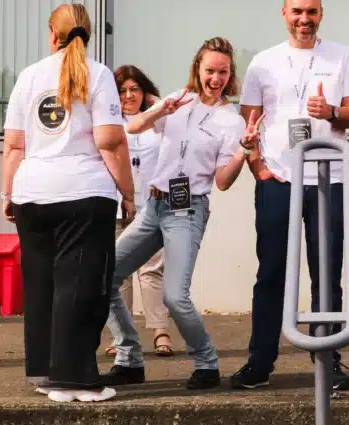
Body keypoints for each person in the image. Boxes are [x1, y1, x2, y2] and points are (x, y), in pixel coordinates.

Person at [106, 37, 263, 390]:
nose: (216, 78)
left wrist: (243, 150)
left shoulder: (230, 120)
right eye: (210, 70)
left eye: (223, 72)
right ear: (198, 68)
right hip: (154, 205)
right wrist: (160, 110)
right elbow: (133, 127)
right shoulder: (179, 99)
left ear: (230, 75)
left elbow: (222, 181)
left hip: (187, 210)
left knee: (175, 295)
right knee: (104, 276)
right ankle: (129, 358)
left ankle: (206, 363)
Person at [2, 3, 135, 403]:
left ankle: (44, 371)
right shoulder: (98, 75)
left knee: (42, 284)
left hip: (32, 193)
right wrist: (128, 192)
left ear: (52, 33)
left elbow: (13, 146)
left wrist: (7, 193)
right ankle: (74, 379)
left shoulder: (28, 76)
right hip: (82, 193)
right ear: (88, 34)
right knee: (81, 285)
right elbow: (110, 141)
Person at [234, 0, 349, 391]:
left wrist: (331, 111)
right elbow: (248, 125)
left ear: (321, 14)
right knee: (271, 270)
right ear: (284, 13)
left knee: (326, 272)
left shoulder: (343, 56)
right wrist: (257, 169)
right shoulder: (263, 63)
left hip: (327, 178)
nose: (304, 20)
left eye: (311, 12)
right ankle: (260, 361)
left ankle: (328, 360)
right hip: (279, 179)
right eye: (297, 12)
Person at [104, 65, 175, 359]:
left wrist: (158, 106)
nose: (128, 96)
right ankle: (123, 334)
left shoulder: (157, 122)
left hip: (151, 204)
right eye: (122, 90)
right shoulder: (107, 121)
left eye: (134, 89)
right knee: (118, 273)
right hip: (117, 205)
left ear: (145, 92)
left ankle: (160, 330)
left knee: (152, 269)